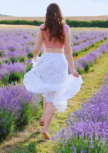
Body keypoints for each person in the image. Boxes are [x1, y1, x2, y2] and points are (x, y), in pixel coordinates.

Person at [23, 3, 83, 140]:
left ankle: (44, 117)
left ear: (47, 13)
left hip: (45, 59)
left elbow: (36, 48)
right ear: (60, 13)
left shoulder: (42, 28)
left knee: (48, 90)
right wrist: (72, 69)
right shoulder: (65, 28)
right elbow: (68, 49)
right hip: (59, 61)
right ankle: (45, 129)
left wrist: (36, 60)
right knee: (54, 95)